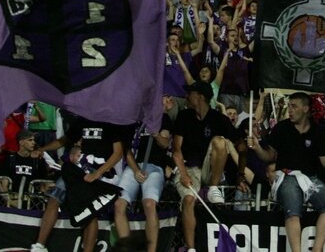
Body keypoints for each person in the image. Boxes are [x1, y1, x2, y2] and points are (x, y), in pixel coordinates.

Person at [248, 92, 325, 252]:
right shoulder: (281, 127)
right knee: (293, 212)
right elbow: (269, 156)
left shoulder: (318, 131)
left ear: (305, 109)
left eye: (294, 106)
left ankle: (317, 249)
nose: (289, 110)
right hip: (286, 176)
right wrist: (257, 148)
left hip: (310, 179)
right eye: (289, 106)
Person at [30, 118, 125, 252]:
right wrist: (42, 149)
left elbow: (118, 153)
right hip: (75, 171)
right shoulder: (82, 120)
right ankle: (39, 246)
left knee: (89, 213)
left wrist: (97, 173)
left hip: (97, 172)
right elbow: (63, 140)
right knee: (53, 200)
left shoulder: (112, 122)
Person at [172, 81, 242, 252]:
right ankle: (191, 249)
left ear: (200, 97)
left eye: (190, 93)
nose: (187, 97)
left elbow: (239, 144)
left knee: (220, 141)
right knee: (188, 200)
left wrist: (241, 175)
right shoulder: (184, 116)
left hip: (210, 169)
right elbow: (176, 150)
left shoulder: (220, 119)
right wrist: (183, 174)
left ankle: (213, 188)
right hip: (188, 168)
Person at [114, 115, 172, 252]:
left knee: (149, 204)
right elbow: (126, 149)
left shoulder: (162, 118)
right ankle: (126, 249)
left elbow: (165, 143)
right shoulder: (131, 119)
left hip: (154, 167)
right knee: (119, 205)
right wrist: (135, 170)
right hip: (133, 166)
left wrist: (155, 133)